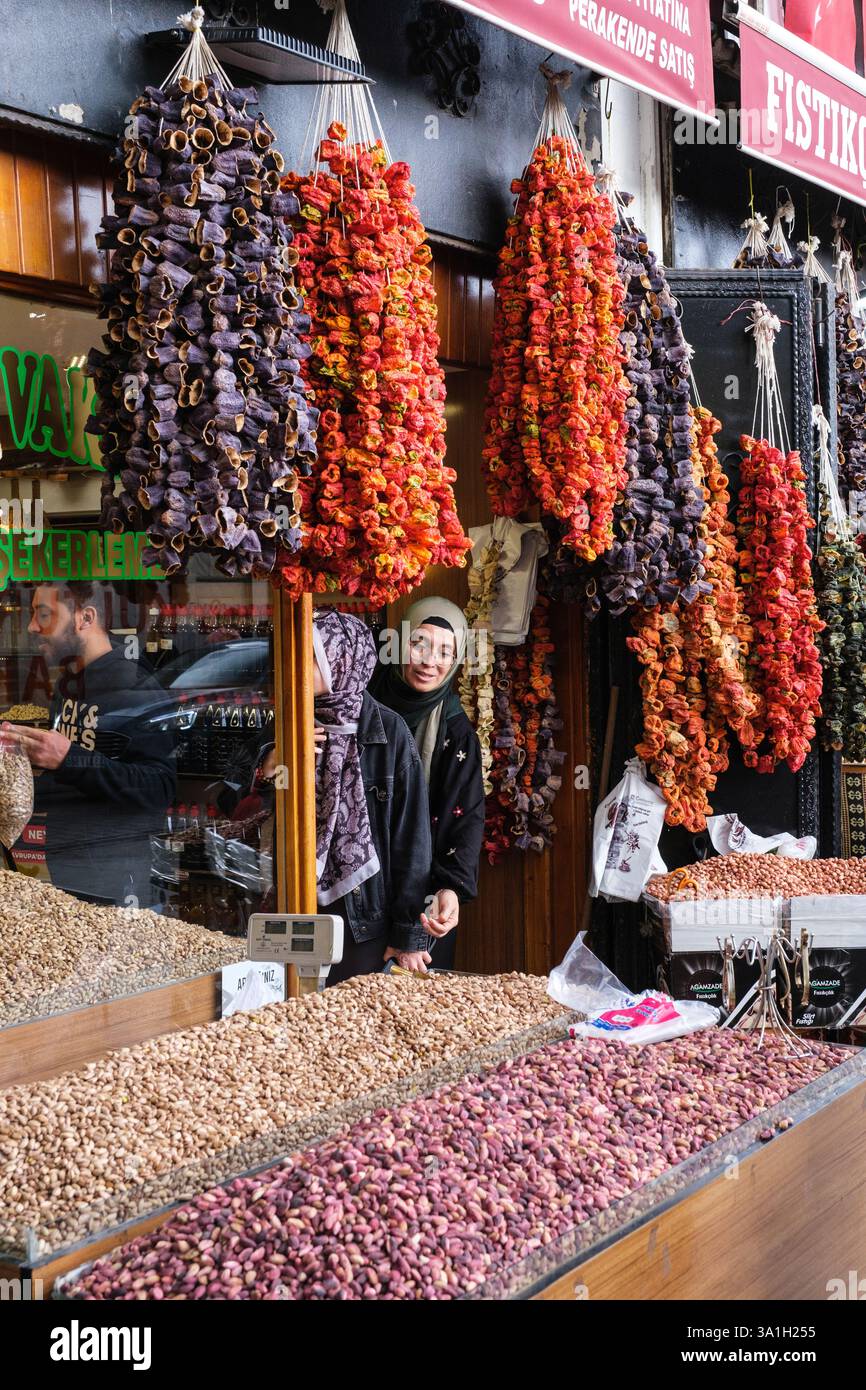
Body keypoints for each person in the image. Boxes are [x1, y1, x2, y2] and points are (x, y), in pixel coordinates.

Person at [0, 582, 175, 907]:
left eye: (44, 614)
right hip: (68, 871)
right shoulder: (68, 687)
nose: (32, 627)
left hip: (119, 885)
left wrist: (68, 758)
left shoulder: (134, 686)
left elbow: (159, 787)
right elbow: (69, 774)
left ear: (85, 618)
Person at [312, 608, 433, 983]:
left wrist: (409, 936)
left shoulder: (388, 730)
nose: (296, 668)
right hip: (292, 907)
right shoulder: (288, 719)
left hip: (362, 920)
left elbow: (411, 838)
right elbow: (230, 802)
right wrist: (271, 766)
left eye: (310, 659)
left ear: (341, 660)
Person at [369, 596, 485, 969]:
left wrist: (449, 888)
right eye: (418, 643)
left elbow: (465, 818)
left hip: (422, 901)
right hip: (357, 892)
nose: (429, 661)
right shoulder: (359, 702)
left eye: (444, 651)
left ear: (455, 662)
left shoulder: (456, 733)